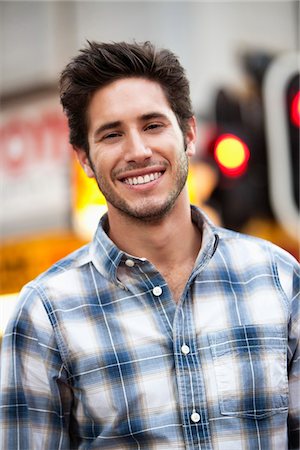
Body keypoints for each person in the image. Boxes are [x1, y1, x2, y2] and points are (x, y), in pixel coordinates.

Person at [0, 41, 299, 450]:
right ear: (84, 159)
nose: (138, 151)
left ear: (189, 134)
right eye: (111, 134)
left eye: (153, 125)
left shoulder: (280, 280)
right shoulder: (44, 317)